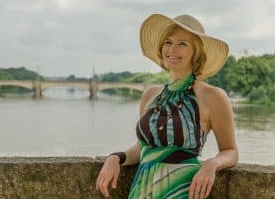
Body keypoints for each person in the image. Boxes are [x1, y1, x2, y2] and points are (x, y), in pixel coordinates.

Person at [96, 13, 239, 199]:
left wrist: (212, 164)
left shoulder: (213, 96)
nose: (172, 49)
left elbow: (231, 151)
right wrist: (116, 157)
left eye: (182, 44)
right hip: (141, 191)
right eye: (168, 42)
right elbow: (143, 148)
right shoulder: (150, 94)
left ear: (196, 52)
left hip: (183, 192)